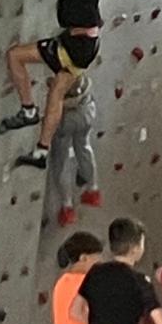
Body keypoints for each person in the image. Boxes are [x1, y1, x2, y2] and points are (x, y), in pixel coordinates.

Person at [1, 0, 103, 171]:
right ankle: (41, 151)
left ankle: (28, 110)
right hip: (87, 43)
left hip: (74, 45)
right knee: (57, 91)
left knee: (15, 56)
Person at [44, 73, 101, 228]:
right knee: (84, 147)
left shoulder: (62, 80)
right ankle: (93, 189)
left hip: (66, 118)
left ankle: (67, 206)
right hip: (87, 111)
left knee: (61, 160)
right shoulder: (78, 77)